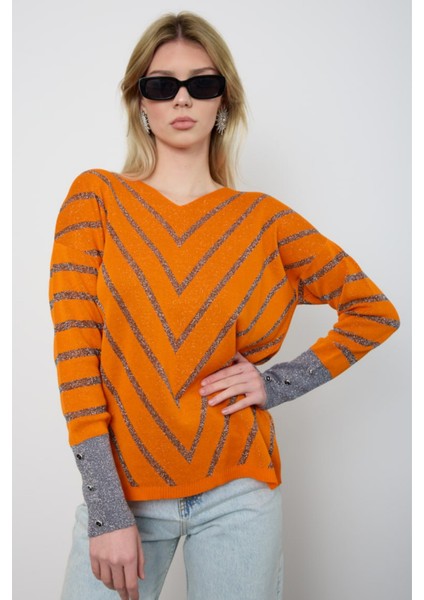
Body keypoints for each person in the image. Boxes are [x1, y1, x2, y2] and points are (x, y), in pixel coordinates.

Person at [49, 11, 400, 600]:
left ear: (224, 101)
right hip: (124, 490)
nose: (182, 98)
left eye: (202, 83)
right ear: (140, 100)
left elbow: (373, 311)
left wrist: (275, 384)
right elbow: (75, 356)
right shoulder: (97, 198)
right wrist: (107, 508)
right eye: (162, 84)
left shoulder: (264, 220)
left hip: (239, 491)